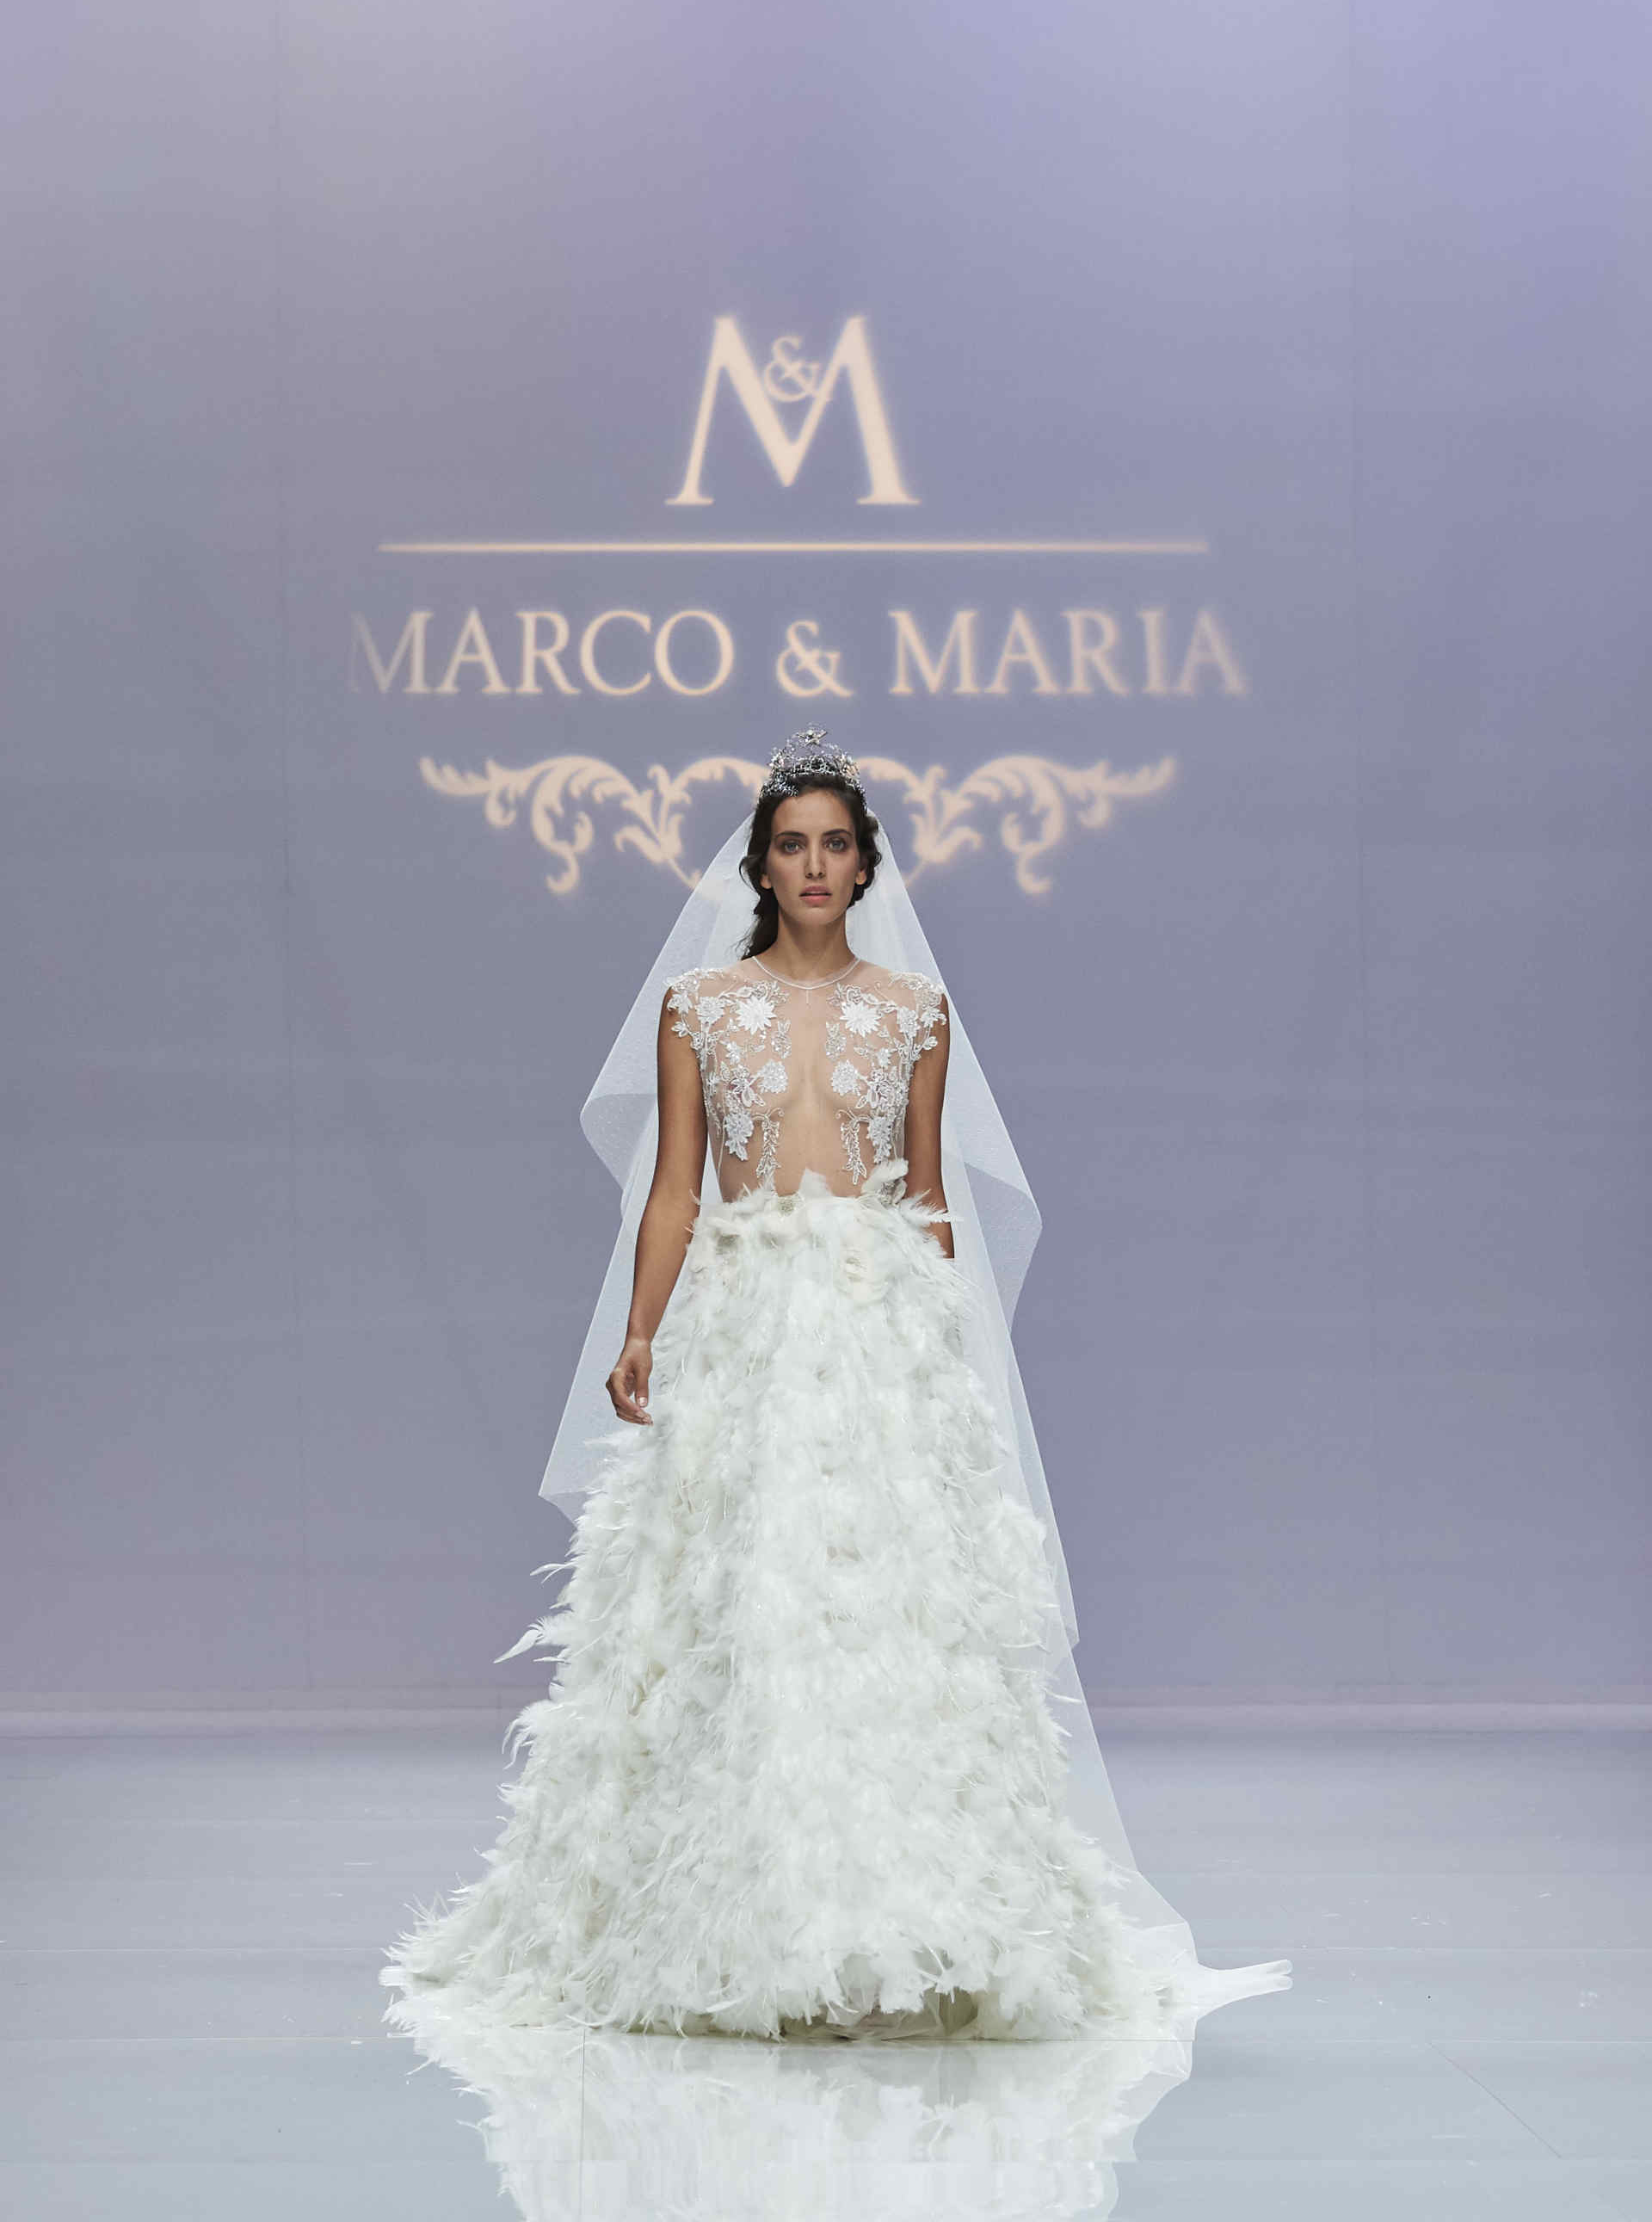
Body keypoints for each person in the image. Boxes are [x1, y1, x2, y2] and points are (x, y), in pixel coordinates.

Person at [381, 728, 1291, 2041]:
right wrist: (638, 1334)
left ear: (866, 867)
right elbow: (675, 1189)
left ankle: (912, 1920)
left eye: (836, 845)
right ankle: (731, 1916)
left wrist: (945, 1353)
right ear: (761, 866)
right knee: (736, 1600)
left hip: (874, 1326)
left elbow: (927, 1193)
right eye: (792, 845)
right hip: (745, 1327)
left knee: (885, 1606)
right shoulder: (698, 1008)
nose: (814, 865)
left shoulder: (914, 1012)